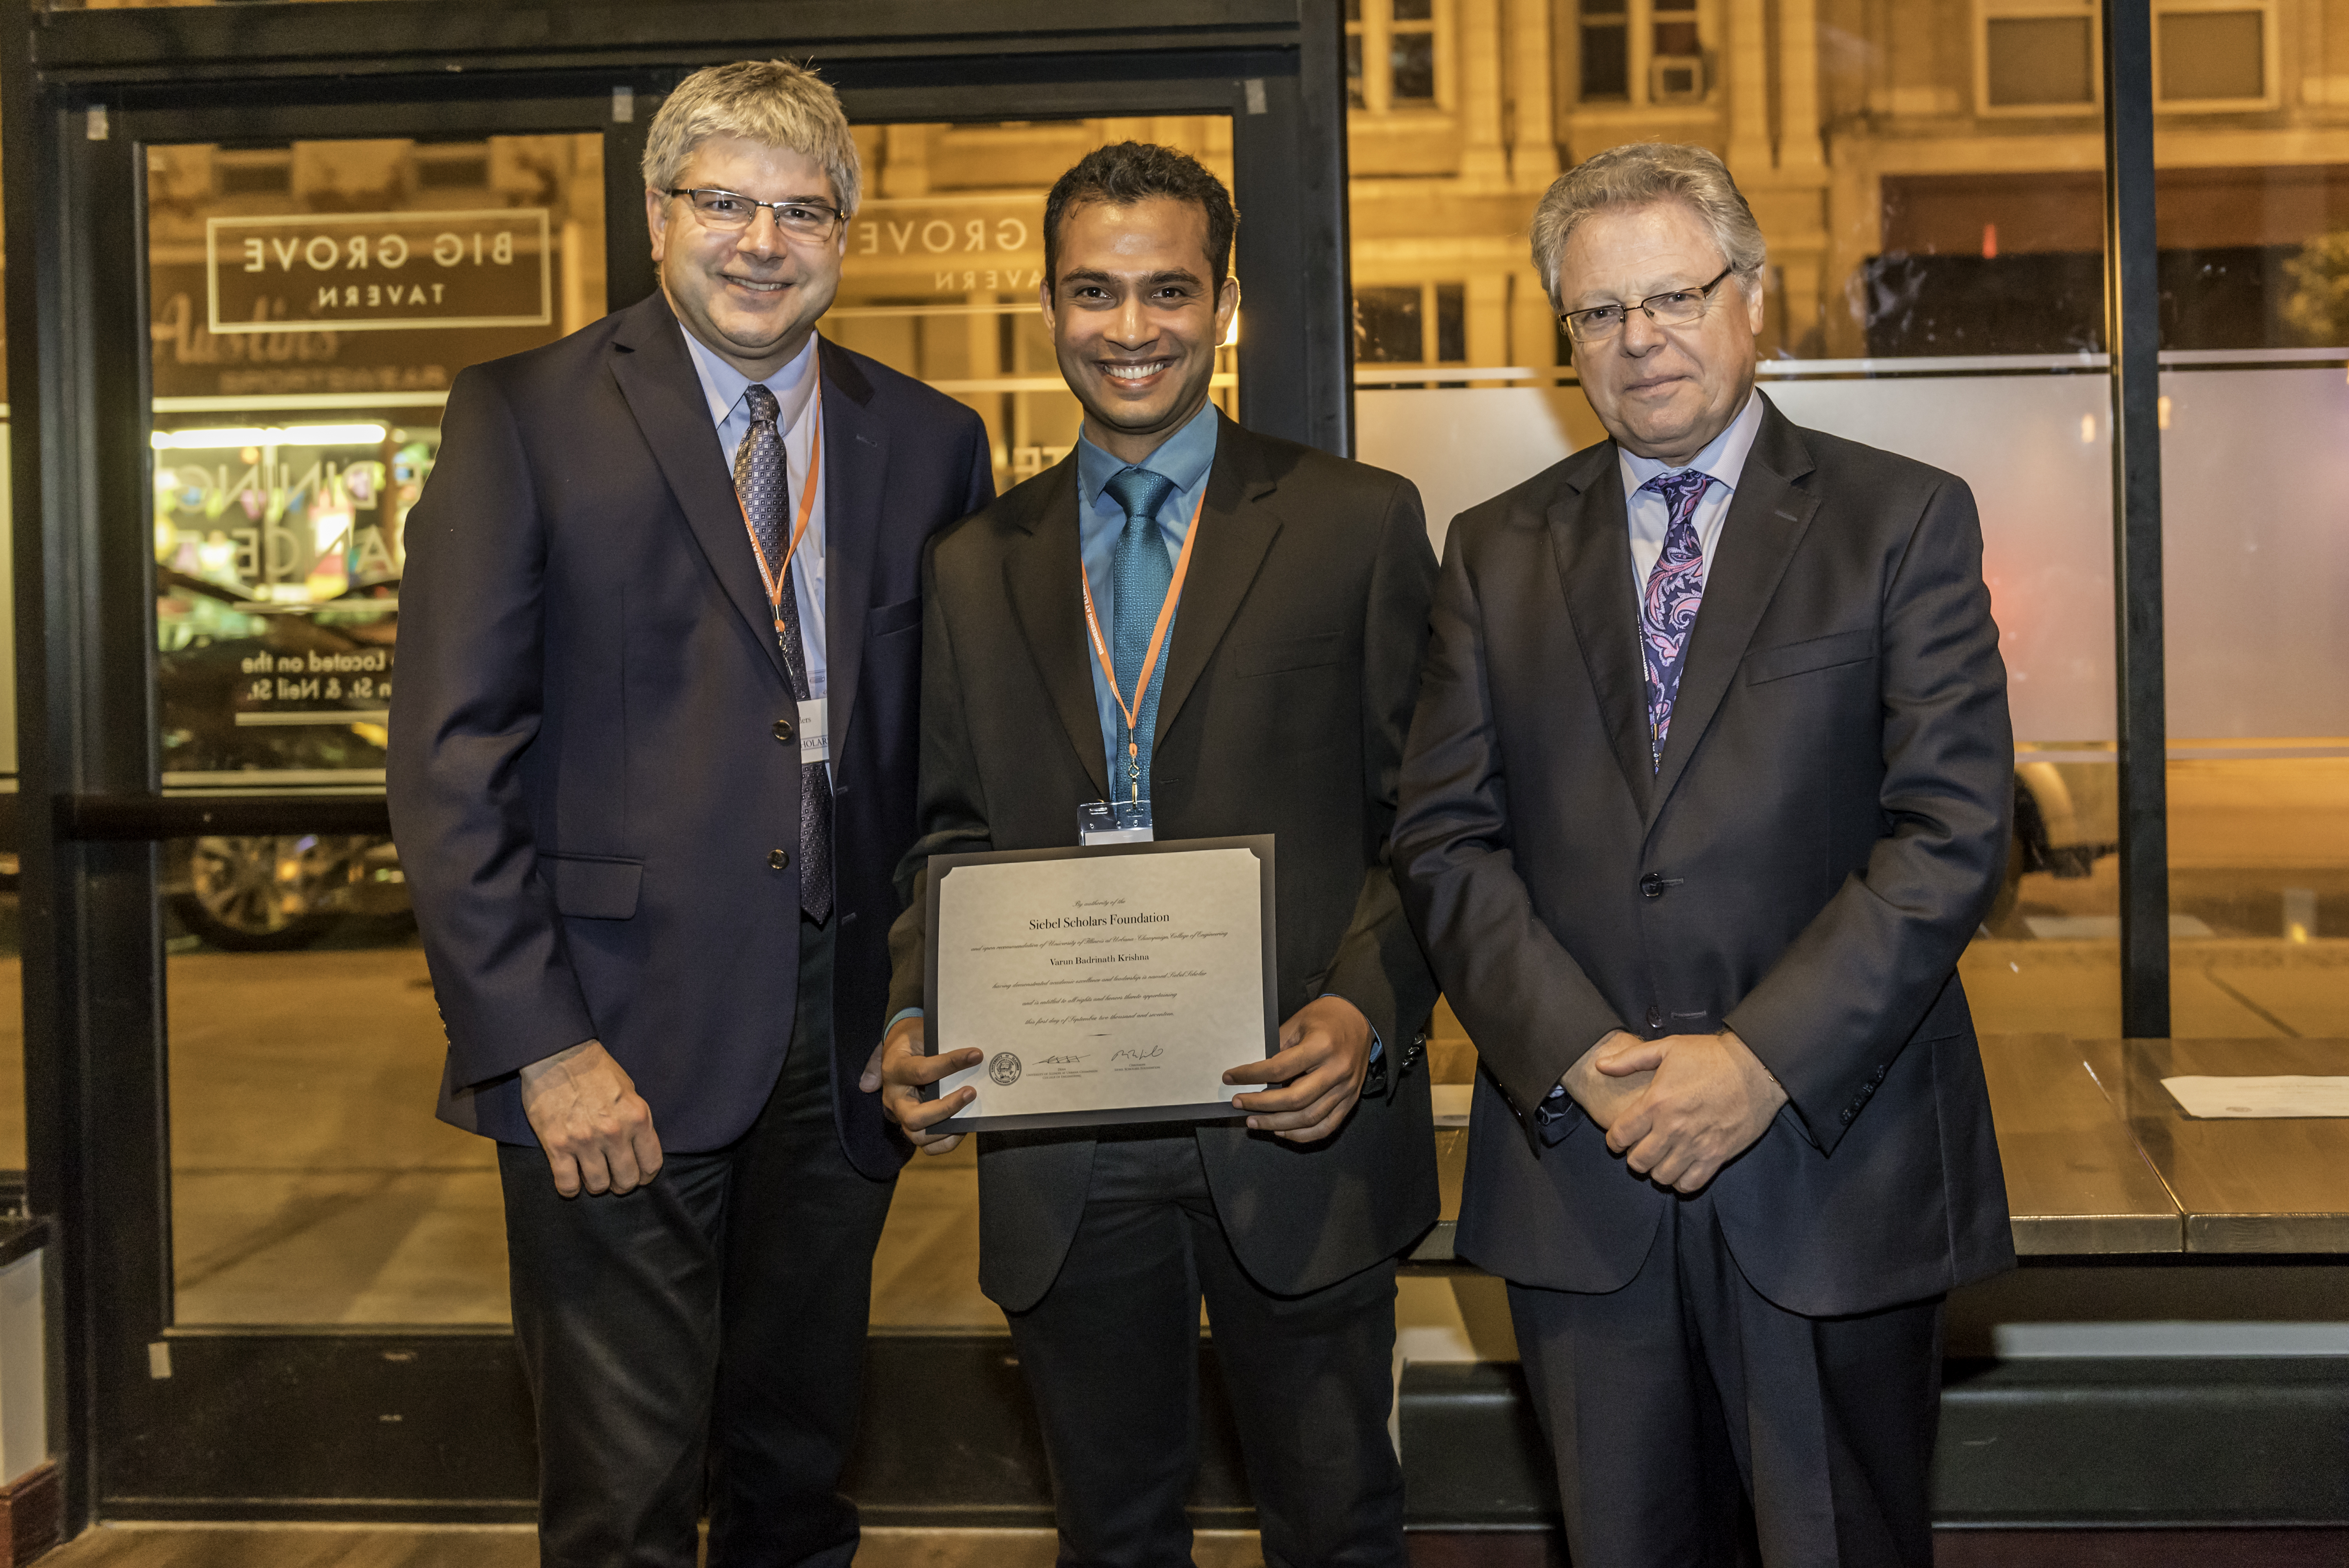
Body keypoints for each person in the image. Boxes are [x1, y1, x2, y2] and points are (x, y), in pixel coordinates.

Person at [386, 60, 992, 1568]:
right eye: (724, 202)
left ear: (847, 231)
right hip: (613, 1046)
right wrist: (540, 1045)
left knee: (798, 1477)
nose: (761, 242)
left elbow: (952, 772)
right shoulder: (523, 416)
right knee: (627, 1497)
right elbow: (451, 760)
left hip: (842, 1056)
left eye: (801, 209)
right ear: (658, 217)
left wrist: (930, 998)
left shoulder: (928, 442)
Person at [1391, 141, 2015, 1568]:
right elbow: (1441, 835)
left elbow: (1951, 831)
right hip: (1583, 1174)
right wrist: (1583, 1059)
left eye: (1673, 295)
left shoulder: (1900, 520)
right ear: (1567, 343)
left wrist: (1757, 1062)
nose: (1640, 340)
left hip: (1827, 1169)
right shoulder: (1493, 552)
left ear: (1754, 298)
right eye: (1599, 314)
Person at [871, 142, 1439, 1568]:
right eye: (1095, 293)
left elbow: (1432, 821)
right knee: (1111, 1530)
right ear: (1050, 307)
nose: (1132, 330)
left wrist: (1365, 1010)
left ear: (1227, 303)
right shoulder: (974, 562)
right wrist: (913, 1007)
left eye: (1169, 291)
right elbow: (946, 831)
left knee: (1337, 1522)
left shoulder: (1356, 525)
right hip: (1062, 1134)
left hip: (1291, 1113)